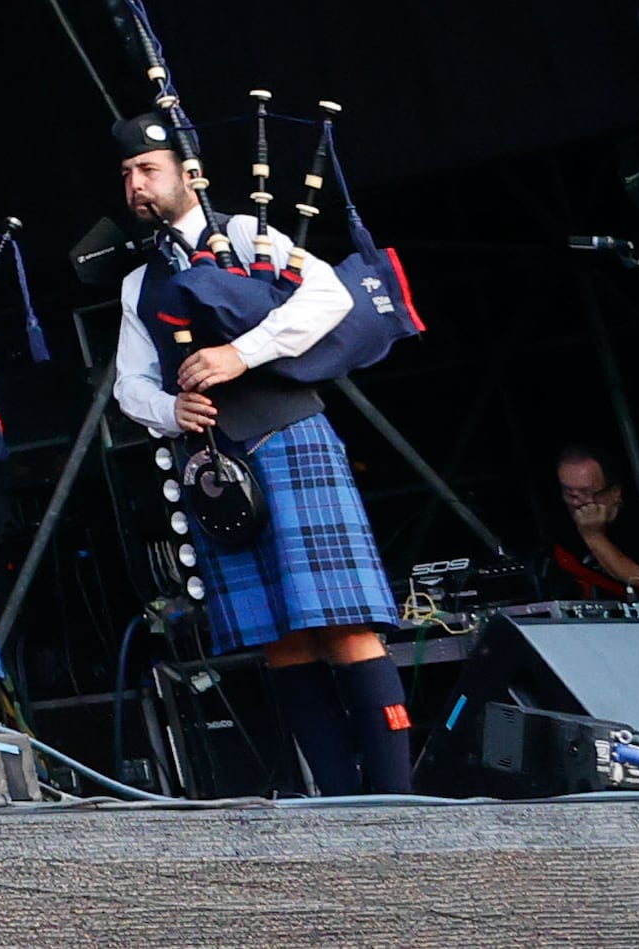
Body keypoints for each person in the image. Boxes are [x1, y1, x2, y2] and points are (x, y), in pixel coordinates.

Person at [108, 113, 411, 794]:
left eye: (147, 169)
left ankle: (399, 797)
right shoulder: (138, 283)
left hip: (289, 438)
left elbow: (329, 295)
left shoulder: (247, 234)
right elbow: (130, 384)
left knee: (344, 623)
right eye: (127, 173)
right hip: (218, 468)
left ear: (189, 174)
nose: (135, 184)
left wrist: (238, 353)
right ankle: (337, 802)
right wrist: (170, 409)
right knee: (282, 639)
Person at [549, 447, 639, 600]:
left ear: (614, 492)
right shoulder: (562, 523)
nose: (576, 502)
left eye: (586, 493)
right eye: (569, 493)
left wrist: (594, 536)